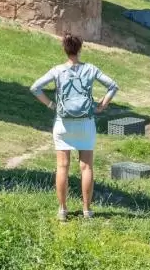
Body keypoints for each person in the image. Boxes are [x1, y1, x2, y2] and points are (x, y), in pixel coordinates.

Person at [30, 33, 119, 222]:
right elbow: (113, 86)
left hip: (63, 124)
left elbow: (35, 87)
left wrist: (51, 105)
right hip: (86, 123)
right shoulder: (90, 69)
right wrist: (102, 105)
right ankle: (87, 210)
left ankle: (62, 210)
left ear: (65, 49)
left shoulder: (57, 70)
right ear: (80, 49)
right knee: (86, 167)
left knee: (62, 166)